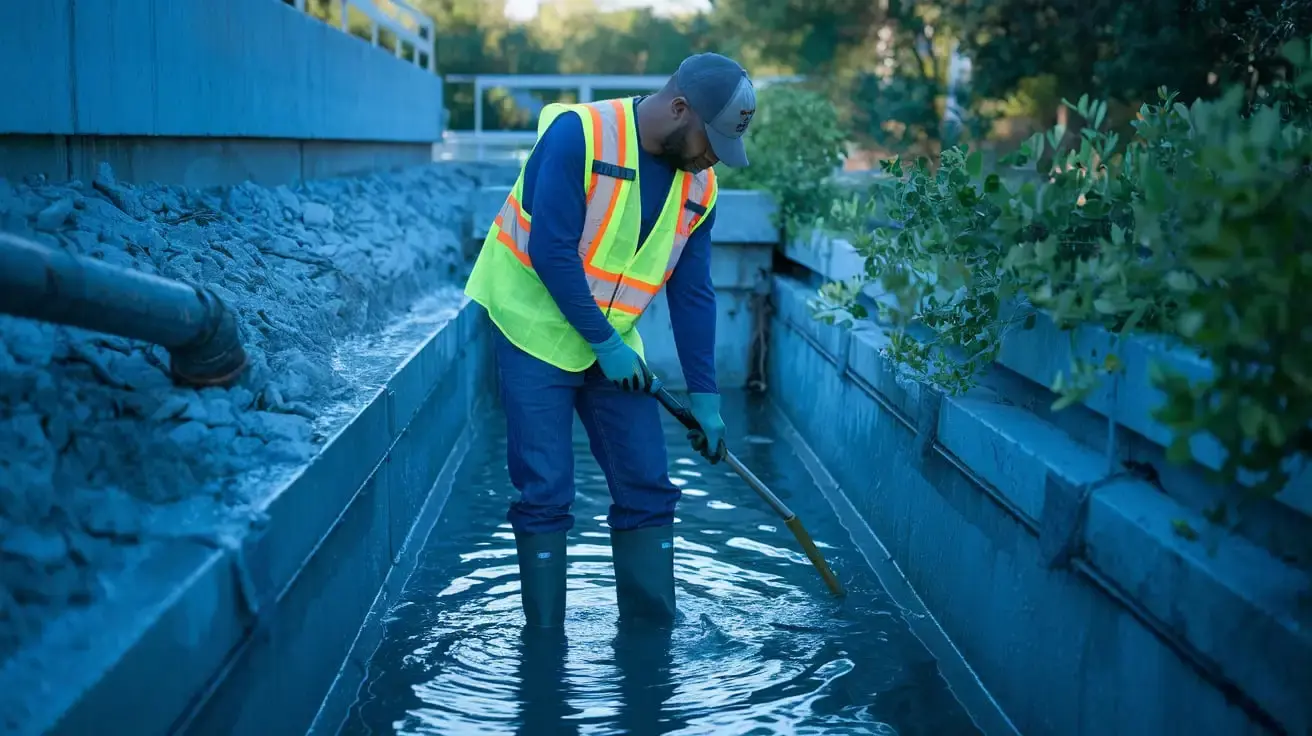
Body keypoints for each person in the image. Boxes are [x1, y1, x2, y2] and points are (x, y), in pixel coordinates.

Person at [463, 52, 758, 629]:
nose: (713, 156)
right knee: (545, 489)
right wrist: (605, 344)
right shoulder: (581, 134)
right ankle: (544, 648)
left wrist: (706, 396)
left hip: (612, 344)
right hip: (535, 332)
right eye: (710, 139)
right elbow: (550, 249)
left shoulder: (701, 186)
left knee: (648, 482)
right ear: (679, 109)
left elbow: (693, 292)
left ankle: (652, 641)